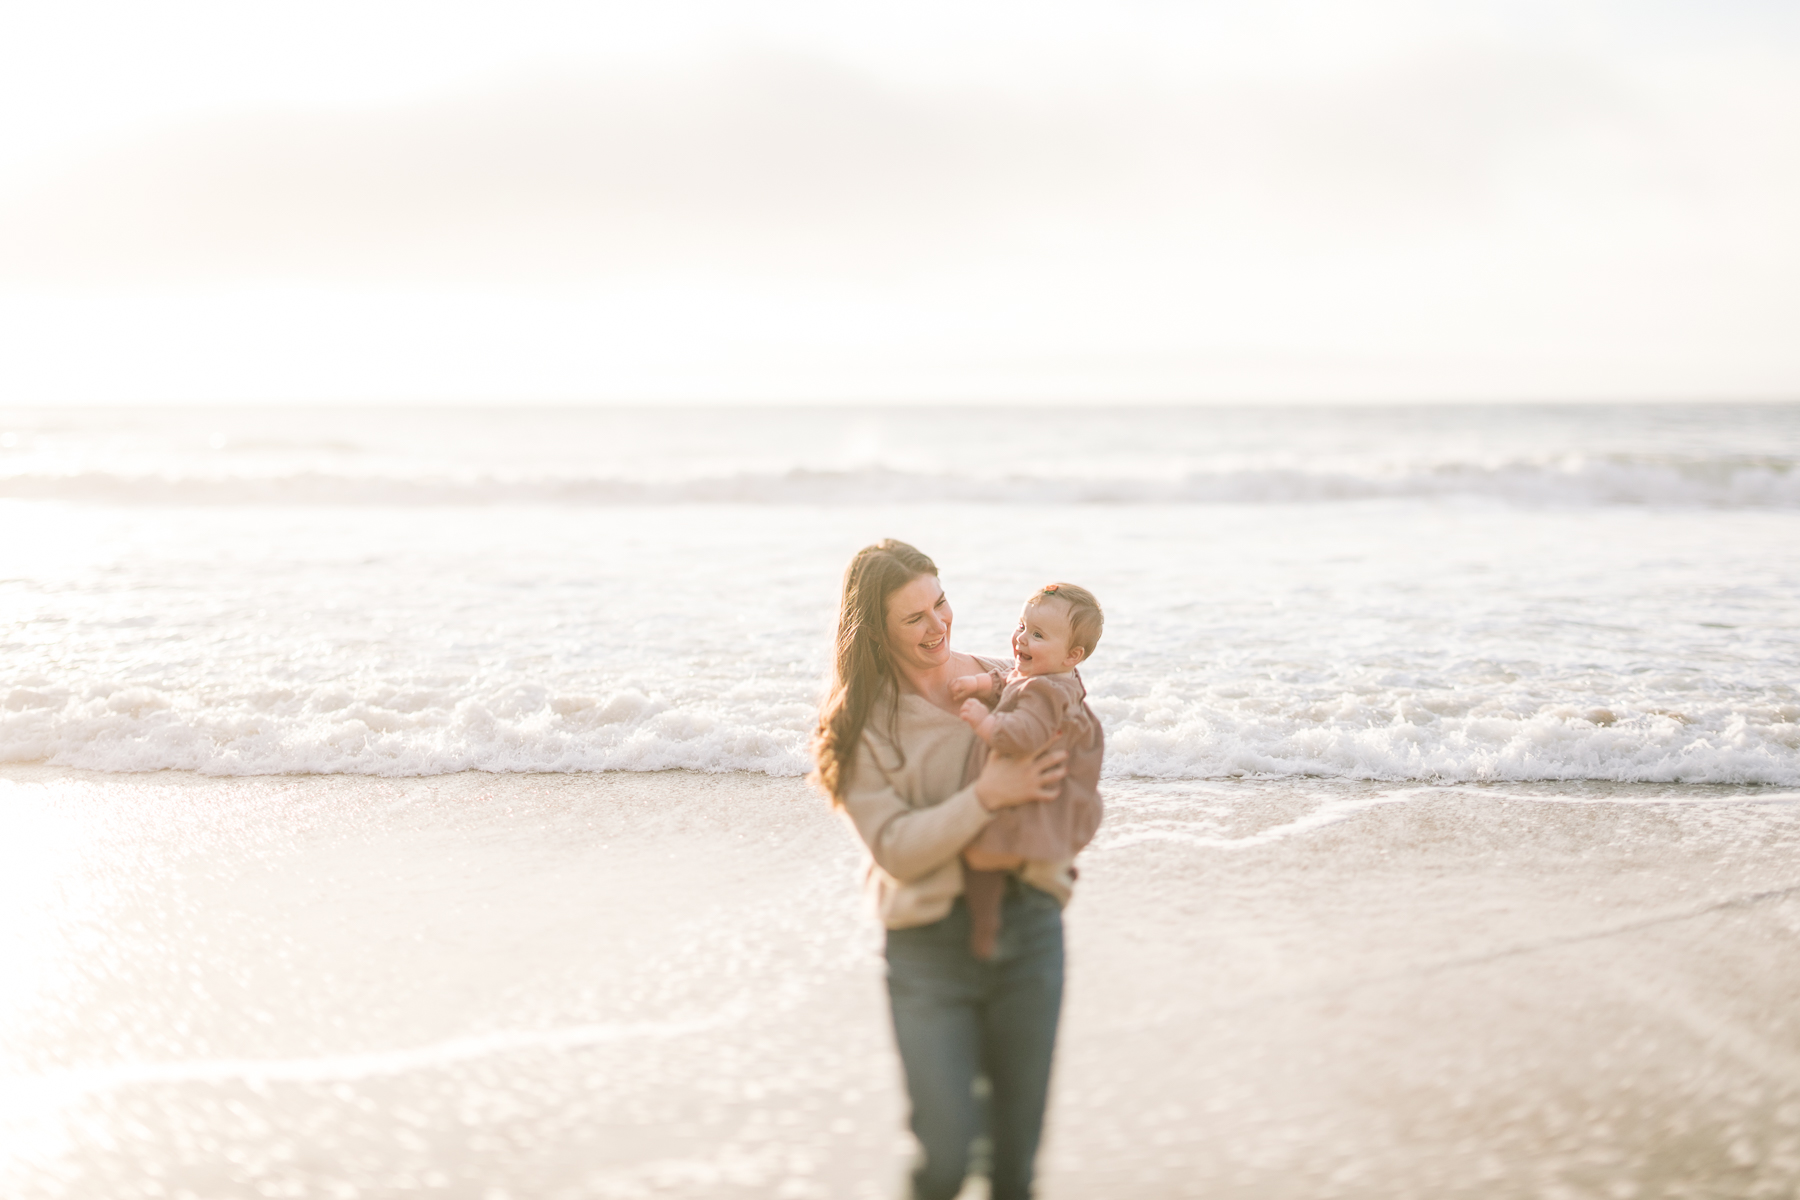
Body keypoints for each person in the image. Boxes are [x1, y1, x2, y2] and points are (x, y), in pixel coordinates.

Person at [813, 539, 1072, 1200]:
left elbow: (1067, 768)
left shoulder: (1005, 681)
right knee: (947, 1157)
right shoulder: (859, 725)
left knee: (1015, 1168)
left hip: (1028, 929)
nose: (939, 625)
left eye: (941, 602)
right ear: (876, 629)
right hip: (929, 947)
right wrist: (989, 795)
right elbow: (896, 848)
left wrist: (1055, 871)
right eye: (914, 618)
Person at [952, 583, 1105, 962]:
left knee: (988, 862)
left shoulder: (1045, 693)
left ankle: (986, 933)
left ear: (1073, 655)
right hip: (1045, 786)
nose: (1021, 638)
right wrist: (979, 682)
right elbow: (1010, 679)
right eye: (1022, 626)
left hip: (1027, 791)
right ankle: (1048, 871)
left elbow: (1024, 735)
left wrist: (985, 722)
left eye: (1037, 635)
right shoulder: (1050, 676)